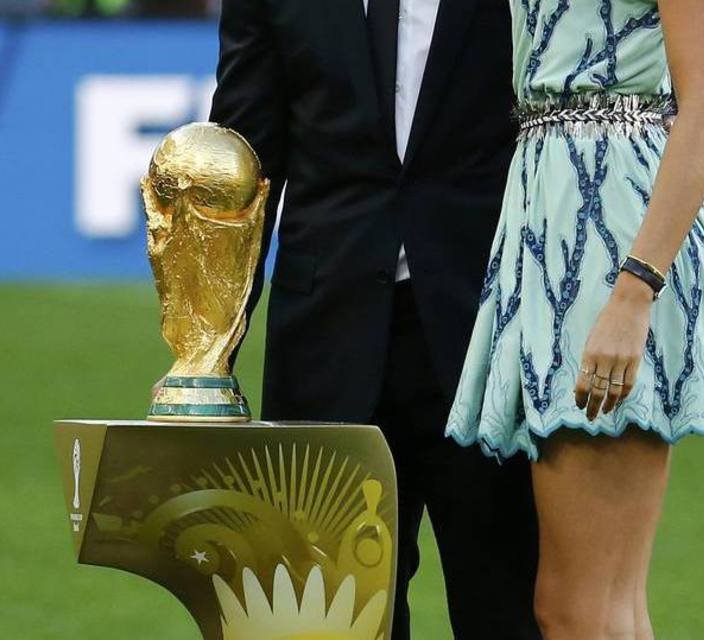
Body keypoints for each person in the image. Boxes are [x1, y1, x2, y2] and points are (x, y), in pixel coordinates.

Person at [209, 1, 541, 638]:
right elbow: (245, 162)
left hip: (490, 340)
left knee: (506, 607)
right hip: (325, 342)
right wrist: (211, 351)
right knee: (333, 618)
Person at [447, 0, 704, 638]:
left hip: (616, 236)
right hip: (551, 225)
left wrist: (633, 292)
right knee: (599, 607)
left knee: (580, 609)